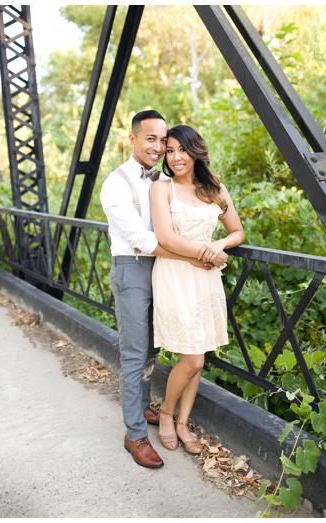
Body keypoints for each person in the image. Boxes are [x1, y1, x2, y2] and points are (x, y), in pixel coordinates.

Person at [101, 110, 223, 468]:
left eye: (162, 140)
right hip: (134, 269)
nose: (158, 147)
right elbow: (140, 239)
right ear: (133, 139)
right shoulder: (116, 183)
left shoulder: (162, 181)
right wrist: (195, 256)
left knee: (152, 351)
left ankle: (142, 408)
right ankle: (135, 434)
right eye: (150, 139)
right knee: (135, 353)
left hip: (165, 270)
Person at [150, 124, 244, 454]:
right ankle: (164, 414)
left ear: (196, 151)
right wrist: (203, 254)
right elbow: (165, 237)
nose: (176, 157)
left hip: (206, 278)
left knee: (199, 358)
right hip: (177, 274)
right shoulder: (161, 189)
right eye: (170, 150)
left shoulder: (214, 187)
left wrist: (218, 244)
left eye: (182, 150)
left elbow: (237, 233)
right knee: (190, 359)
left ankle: (181, 422)